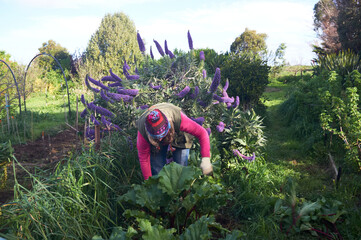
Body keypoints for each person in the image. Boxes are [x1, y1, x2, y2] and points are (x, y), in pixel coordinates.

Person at [136, 102, 213, 180]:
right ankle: (160, 188)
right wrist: (149, 182)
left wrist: (205, 159)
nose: (160, 139)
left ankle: (183, 190)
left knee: (181, 170)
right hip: (157, 136)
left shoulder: (179, 119)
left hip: (178, 131)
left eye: (162, 136)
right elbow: (144, 159)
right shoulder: (143, 133)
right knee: (157, 168)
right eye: (156, 137)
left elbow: (202, 133)